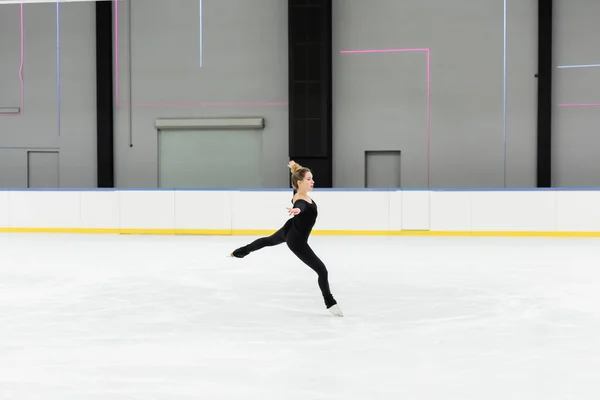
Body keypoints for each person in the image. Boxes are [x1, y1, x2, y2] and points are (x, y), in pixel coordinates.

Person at [229, 160, 343, 317]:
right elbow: (300, 206)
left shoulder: (298, 193)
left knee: (267, 241)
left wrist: (295, 168)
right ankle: (330, 304)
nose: (312, 181)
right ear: (299, 182)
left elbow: (298, 199)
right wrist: (297, 210)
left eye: (312, 178)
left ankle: (240, 252)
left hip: (290, 228)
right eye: (309, 179)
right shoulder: (300, 200)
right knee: (322, 270)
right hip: (296, 241)